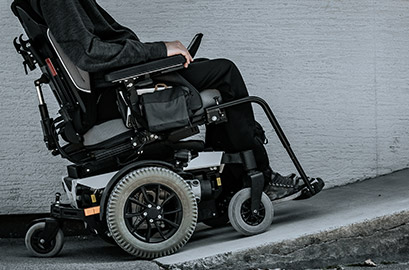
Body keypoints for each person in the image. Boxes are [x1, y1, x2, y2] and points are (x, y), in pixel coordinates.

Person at [38, 0, 310, 201]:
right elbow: (91, 54)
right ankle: (256, 177)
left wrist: (160, 57)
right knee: (224, 72)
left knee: (207, 68)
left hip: (110, 91)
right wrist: (160, 51)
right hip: (116, 95)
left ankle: (234, 177)